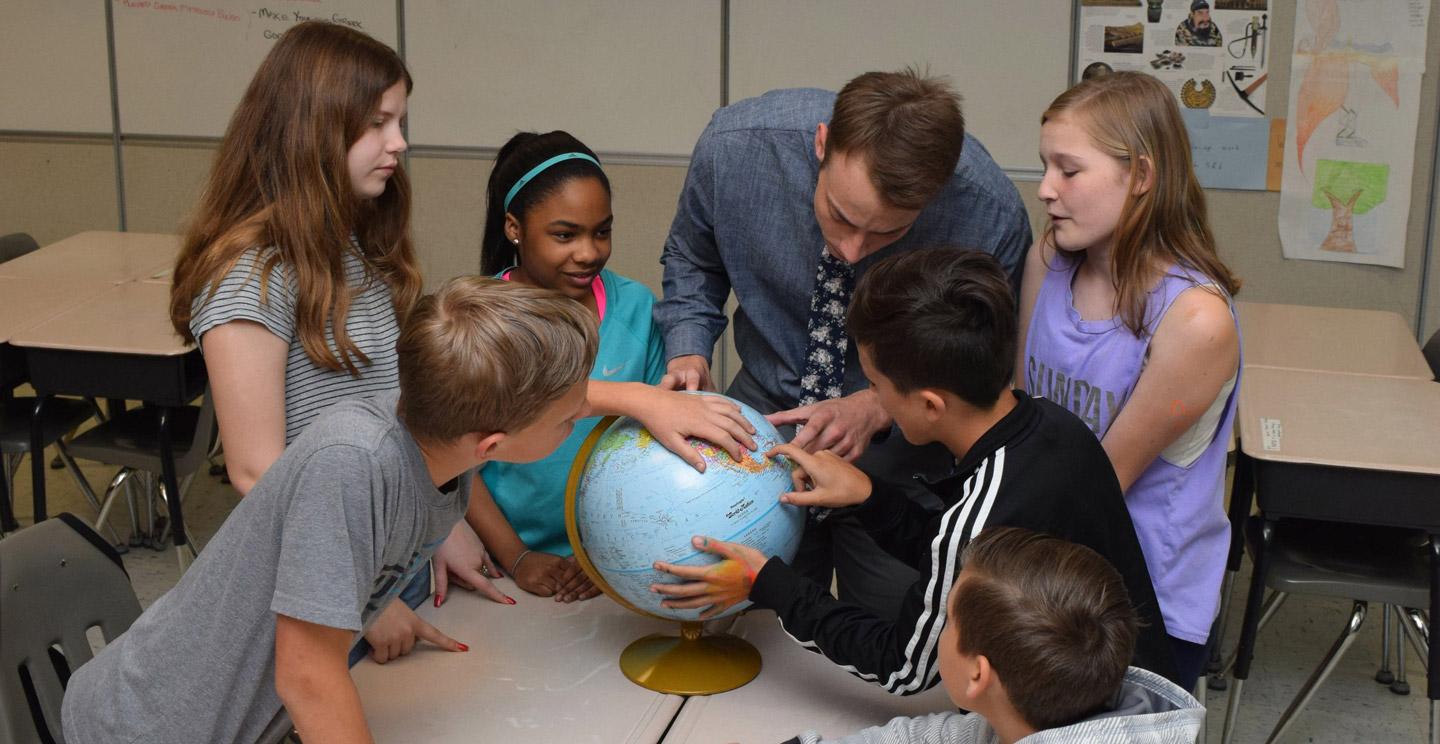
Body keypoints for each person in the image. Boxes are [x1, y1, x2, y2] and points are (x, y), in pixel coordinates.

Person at [167, 22, 755, 660]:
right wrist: (363, 604)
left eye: (400, 121)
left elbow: (407, 423)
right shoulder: (250, 277)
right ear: (313, 128)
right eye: (378, 123)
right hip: (327, 596)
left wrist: (438, 531)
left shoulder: (352, 255)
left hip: (385, 569)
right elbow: (259, 473)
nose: (400, 143)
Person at [63, 278, 600, 744]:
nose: (575, 422)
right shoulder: (351, 466)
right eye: (568, 420)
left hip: (245, 721)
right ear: (492, 445)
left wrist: (643, 401)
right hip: (152, 728)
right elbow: (308, 678)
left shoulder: (437, 426)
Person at [652, 248, 1179, 692]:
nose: (872, 398)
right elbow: (965, 551)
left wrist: (765, 582)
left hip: (1088, 717)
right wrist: (869, 497)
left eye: (877, 387)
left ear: (929, 405)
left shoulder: (980, 515)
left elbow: (904, 667)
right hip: (1144, 691)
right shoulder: (1055, 427)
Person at [655, 68, 1032, 618]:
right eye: (840, 215)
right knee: (750, 628)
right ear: (823, 142)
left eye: (887, 234)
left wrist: (878, 403)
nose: (853, 251)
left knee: (889, 633)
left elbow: (981, 361)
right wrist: (689, 348)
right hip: (763, 431)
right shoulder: (735, 150)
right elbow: (693, 257)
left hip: (905, 462)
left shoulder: (989, 214)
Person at [1017, 71, 1241, 687]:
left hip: (1138, 606)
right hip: (1045, 573)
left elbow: (1098, 482)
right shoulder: (1048, 263)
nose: (1045, 189)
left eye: (1069, 170)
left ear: (1141, 176)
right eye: (1045, 167)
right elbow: (1020, 424)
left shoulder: (1196, 320)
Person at [466, 130, 666, 602]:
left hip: (618, 562)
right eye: (564, 235)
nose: (589, 252)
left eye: (602, 231)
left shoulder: (636, 308)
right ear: (514, 228)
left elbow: (656, 446)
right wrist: (516, 556)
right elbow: (457, 465)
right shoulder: (476, 321)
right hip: (502, 569)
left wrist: (610, 554)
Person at [786, 527, 1205, 744]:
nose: (940, 627)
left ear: (977, 675)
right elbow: (928, 738)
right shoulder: (1030, 714)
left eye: (949, 620)